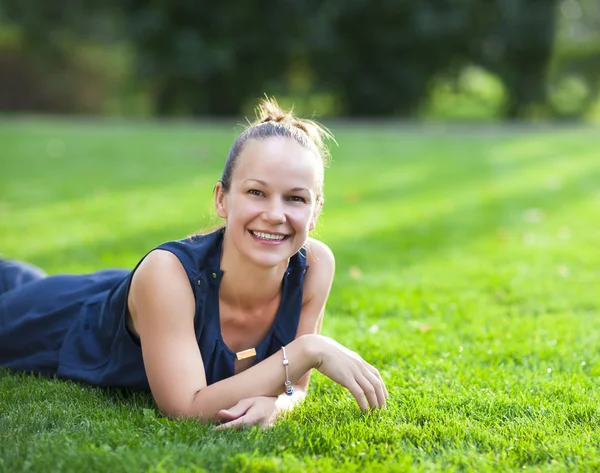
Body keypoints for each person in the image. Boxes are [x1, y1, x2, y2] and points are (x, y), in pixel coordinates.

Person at [0, 98, 388, 429]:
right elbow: (185, 407)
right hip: (59, 321)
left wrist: (277, 405)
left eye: (296, 199)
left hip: (143, 301)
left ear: (316, 211)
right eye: (256, 192)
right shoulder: (166, 272)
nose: (274, 214)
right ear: (222, 199)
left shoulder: (315, 265)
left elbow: (293, 388)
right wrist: (307, 349)